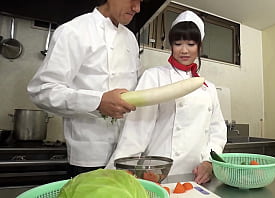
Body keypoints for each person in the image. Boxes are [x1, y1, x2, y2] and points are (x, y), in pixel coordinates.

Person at [106, 10, 227, 184]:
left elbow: (217, 132)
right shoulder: (154, 76)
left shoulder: (209, 88)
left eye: (191, 44)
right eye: (178, 43)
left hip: (199, 176)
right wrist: (120, 172)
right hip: (159, 174)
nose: (184, 50)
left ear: (199, 47)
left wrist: (209, 163)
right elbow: (137, 129)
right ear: (171, 45)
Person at [27, 0, 143, 177]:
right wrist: (97, 102)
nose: (137, 8)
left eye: (140, 1)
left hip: (126, 155)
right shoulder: (74, 31)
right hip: (89, 158)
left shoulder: (130, 39)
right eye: (132, 0)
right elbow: (42, 90)